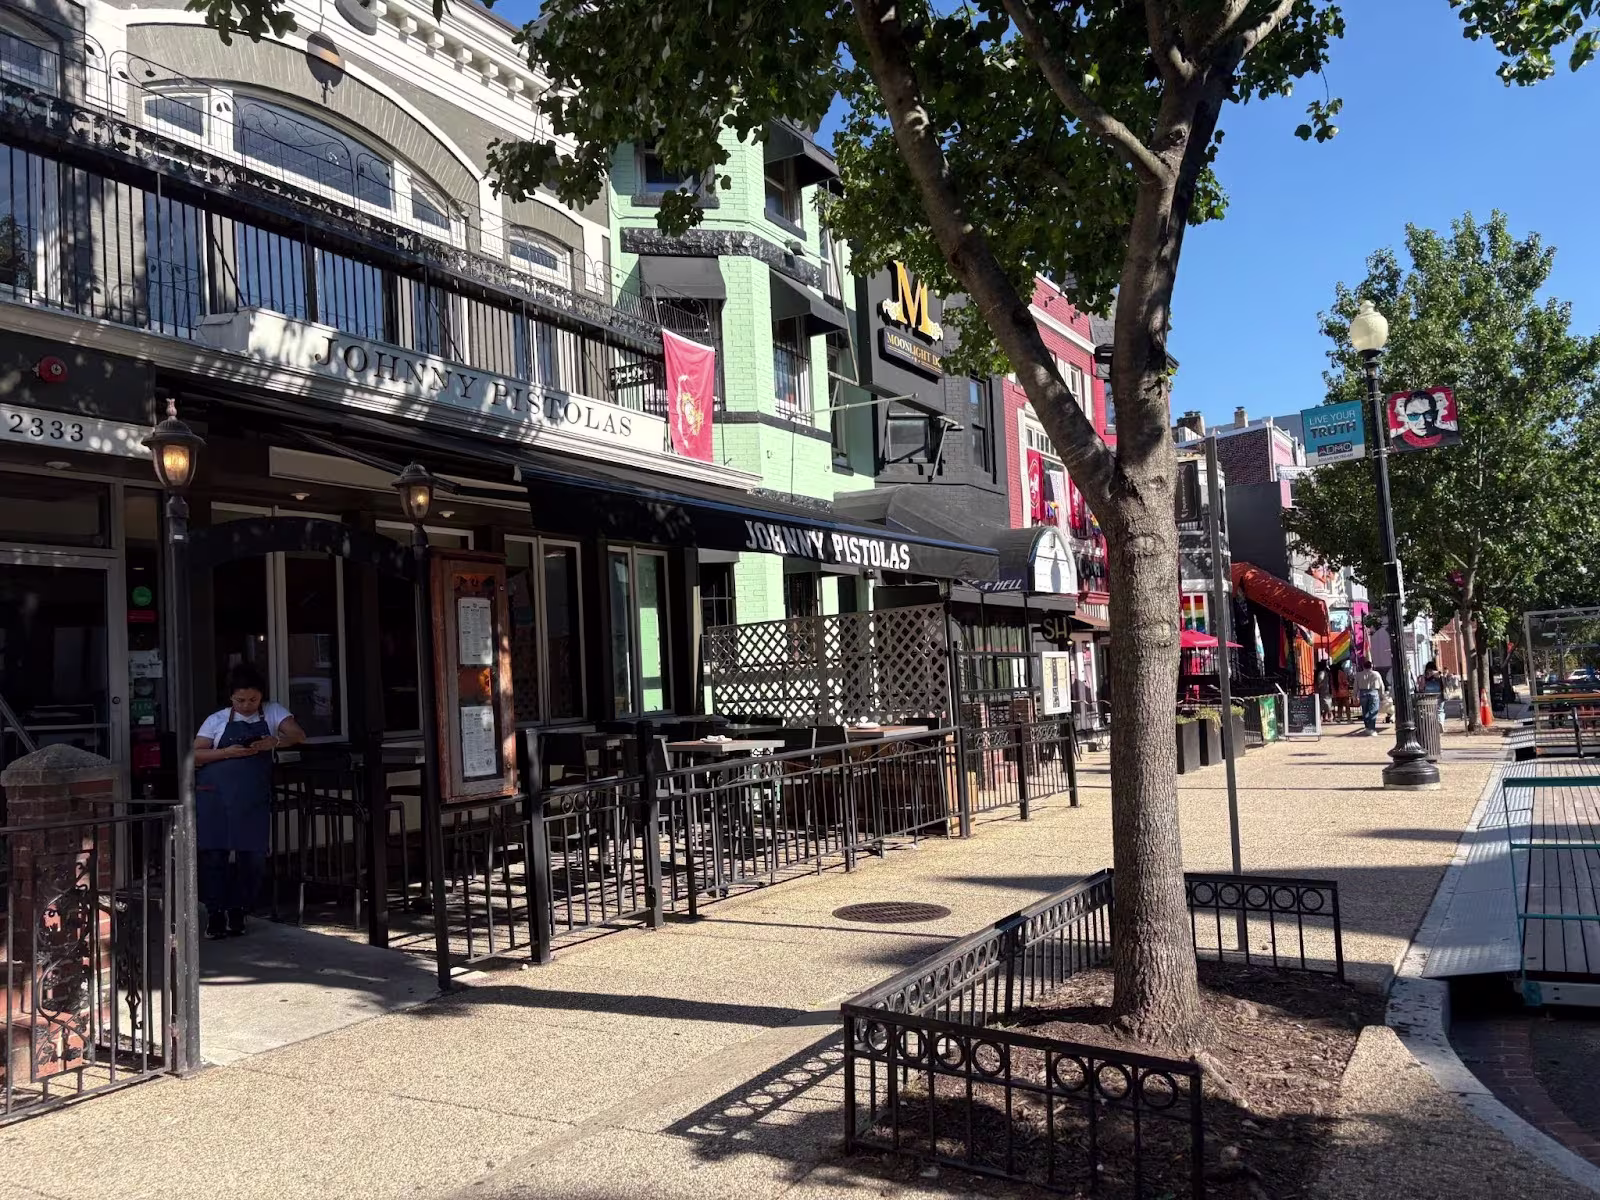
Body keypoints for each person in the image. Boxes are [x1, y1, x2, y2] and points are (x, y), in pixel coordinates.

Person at [193, 663, 304, 938]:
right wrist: (227, 752)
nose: (246, 705)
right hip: (215, 797)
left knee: (252, 857)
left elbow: (299, 736)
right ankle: (215, 913)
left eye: (252, 700)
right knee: (214, 855)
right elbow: (196, 755)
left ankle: (239, 910)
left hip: (252, 798)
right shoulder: (217, 720)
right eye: (239, 700)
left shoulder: (274, 712)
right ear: (230, 697)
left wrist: (274, 742)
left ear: (261, 696)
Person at [1355, 657, 1386, 736]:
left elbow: (1355, 686)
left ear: (1363, 666)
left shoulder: (1359, 674)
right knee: (1373, 711)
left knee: (1365, 711)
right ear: (1371, 666)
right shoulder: (1376, 674)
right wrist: (1382, 694)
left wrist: (1355, 696)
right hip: (1373, 692)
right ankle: (1371, 728)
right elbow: (1381, 685)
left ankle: (1367, 727)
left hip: (1363, 693)